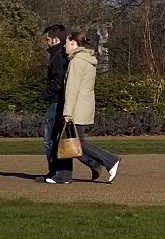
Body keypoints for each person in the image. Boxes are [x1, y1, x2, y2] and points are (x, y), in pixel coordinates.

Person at [45, 31, 122, 184]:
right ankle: (63, 176)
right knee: (67, 140)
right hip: (84, 105)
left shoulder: (76, 61)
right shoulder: (87, 60)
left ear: (73, 43)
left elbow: (72, 89)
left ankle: (110, 161)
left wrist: (67, 112)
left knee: (78, 142)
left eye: (66, 43)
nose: (64, 46)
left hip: (76, 108)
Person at [39, 24, 68, 182]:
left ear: (56, 40)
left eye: (48, 39)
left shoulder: (59, 56)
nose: (46, 42)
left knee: (50, 139)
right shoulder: (59, 55)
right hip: (58, 100)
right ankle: (94, 163)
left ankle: (54, 171)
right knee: (61, 139)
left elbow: (57, 82)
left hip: (56, 101)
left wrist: (45, 94)